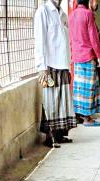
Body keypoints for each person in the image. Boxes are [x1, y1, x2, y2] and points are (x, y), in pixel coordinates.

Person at [35, 0, 77, 148]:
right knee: (50, 102)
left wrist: (69, 64)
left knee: (62, 102)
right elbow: (40, 40)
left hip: (63, 64)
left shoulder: (63, 14)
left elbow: (65, 42)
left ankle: (59, 135)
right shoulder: (43, 11)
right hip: (50, 65)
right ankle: (49, 137)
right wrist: (42, 67)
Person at [69, 0, 100, 126]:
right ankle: (88, 118)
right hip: (88, 55)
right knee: (89, 87)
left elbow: (71, 37)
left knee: (79, 87)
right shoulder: (88, 14)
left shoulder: (71, 15)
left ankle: (79, 115)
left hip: (76, 56)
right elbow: (93, 38)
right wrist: (99, 56)